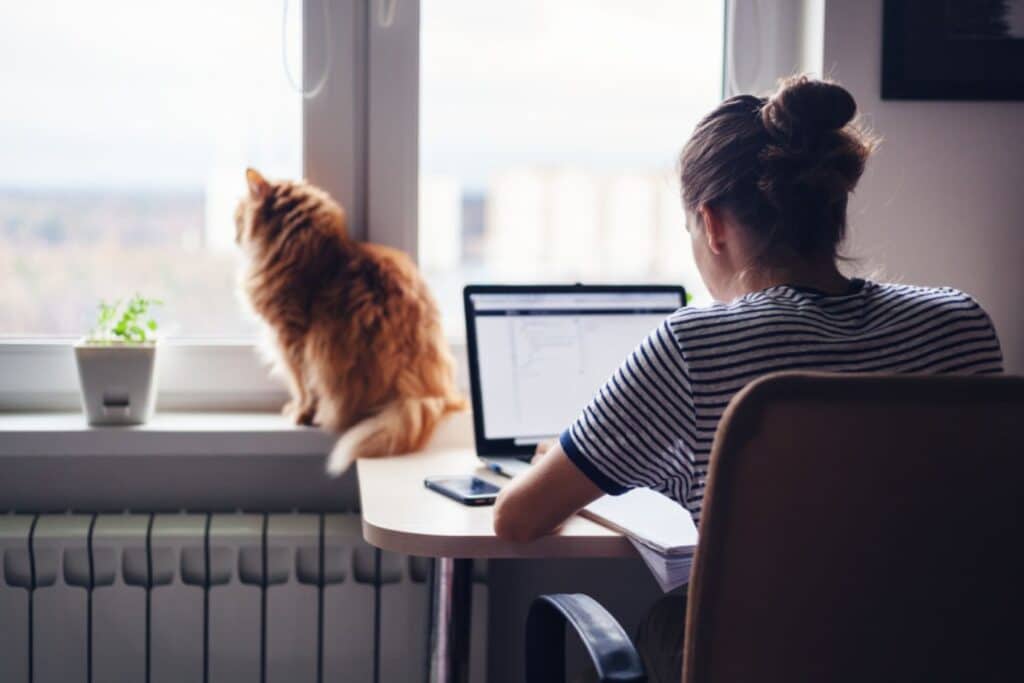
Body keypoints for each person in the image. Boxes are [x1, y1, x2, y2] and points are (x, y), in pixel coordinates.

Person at [493, 75, 1004, 682]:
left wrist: (573, 460)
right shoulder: (960, 323)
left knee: (665, 621)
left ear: (711, 224)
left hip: (770, 664)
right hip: (941, 655)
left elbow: (517, 518)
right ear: (834, 205)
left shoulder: (694, 344)